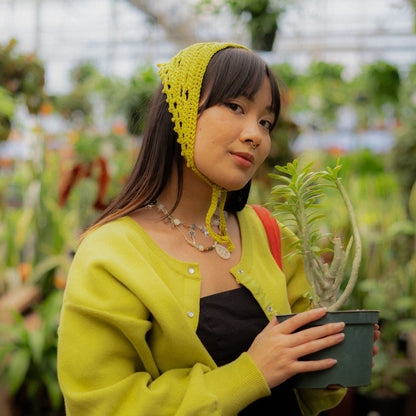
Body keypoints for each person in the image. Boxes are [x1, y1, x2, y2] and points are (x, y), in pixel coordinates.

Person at [57, 42, 379, 416]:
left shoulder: (269, 232)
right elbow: (100, 406)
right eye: (236, 107)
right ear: (181, 107)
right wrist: (251, 373)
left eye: (266, 122)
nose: (255, 135)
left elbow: (307, 392)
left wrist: (331, 362)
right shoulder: (110, 255)